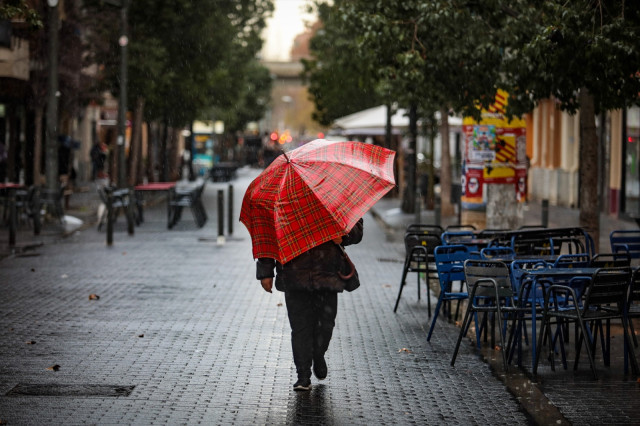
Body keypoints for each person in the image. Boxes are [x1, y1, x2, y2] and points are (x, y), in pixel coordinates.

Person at [256, 218, 364, 391]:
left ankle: (318, 354)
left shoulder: (331, 197)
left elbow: (356, 228)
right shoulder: (282, 202)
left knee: (326, 325)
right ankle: (303, 375)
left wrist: (344, 237)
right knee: (300, 328)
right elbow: (268, 237)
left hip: (327, 274)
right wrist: (265, 271)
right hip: (293, 274)